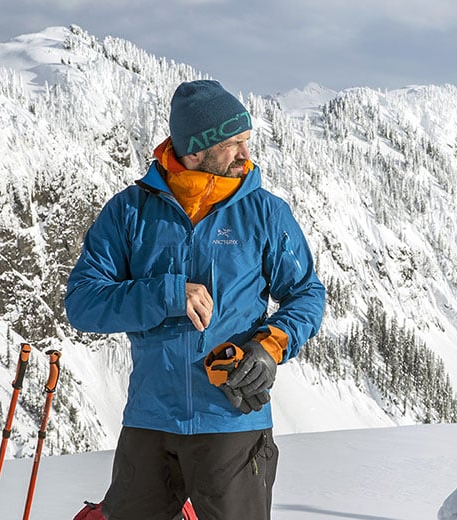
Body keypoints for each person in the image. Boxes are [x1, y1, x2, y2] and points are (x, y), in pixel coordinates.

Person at [65, 79, 326, 520]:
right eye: (232, 144)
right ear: (195, 149)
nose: (246, 155)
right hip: (150, 425)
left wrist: (270, 345)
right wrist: (166, 293)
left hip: (231, 424)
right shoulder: (130, 212)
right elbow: (84, 302)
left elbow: (306, 294)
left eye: (247, 141)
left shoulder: (264, 213)